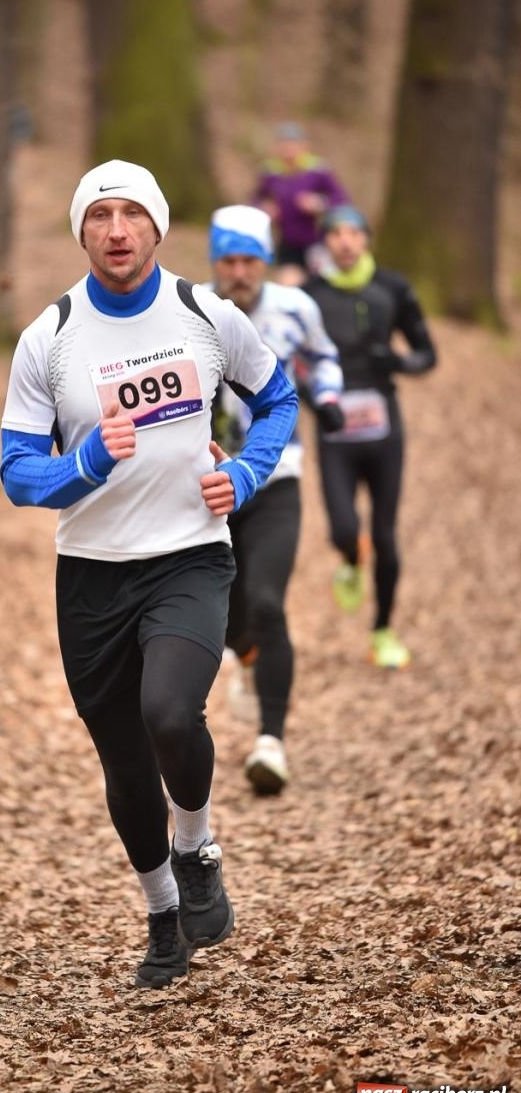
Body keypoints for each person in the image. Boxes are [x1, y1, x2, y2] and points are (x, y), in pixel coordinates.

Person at [0, 160, 298, 989]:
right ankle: (162, 912)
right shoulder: (49, 337)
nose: (118, 230)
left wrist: (243, 476)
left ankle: (196, 844)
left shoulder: (205, 314)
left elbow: (278, 401)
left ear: (158, 228)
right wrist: (85, 461)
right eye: (101, 216)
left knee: (171, 714)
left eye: (133, 215)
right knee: (125, 766)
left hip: (190, 557)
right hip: (91, 575)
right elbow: (17, 473)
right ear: (81, 231)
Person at [206, 205, 344, 794]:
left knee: (267, 598)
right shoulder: (193, 311)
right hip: (213, 479)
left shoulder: (295, 308)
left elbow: (324, 357)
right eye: (229, 260)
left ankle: (272, 741)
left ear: (265, 262)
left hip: (277, 474)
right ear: (216, 261)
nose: (239, 271)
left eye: (250, 261)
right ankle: (249, 656)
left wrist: (331, 398)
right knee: (227, 615)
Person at [304, 205, 437, 669]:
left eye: (353, 233)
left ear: (366, 240)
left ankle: (382, 630)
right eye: (335, 233)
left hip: (384, 431)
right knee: (344, 530)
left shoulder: (393, 289)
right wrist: (315, 398)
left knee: (386, 534)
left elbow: (427, 354)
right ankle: (349, 558)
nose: (344, 242)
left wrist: (397, 362)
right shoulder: (310, 295)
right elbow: (292, 363)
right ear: (324, 241)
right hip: (335, 431)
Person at [250, 122, 349, 276]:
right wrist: (265, 209)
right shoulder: (270, 172)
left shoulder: (318, 169)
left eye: (293, 144)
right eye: (284, 144)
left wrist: (319, 203)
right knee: (289, 284)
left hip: (317, 242)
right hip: (287, 243)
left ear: (304, 146)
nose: (289, 150)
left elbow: (341, 199)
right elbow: (255, 201)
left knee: (320, 282)